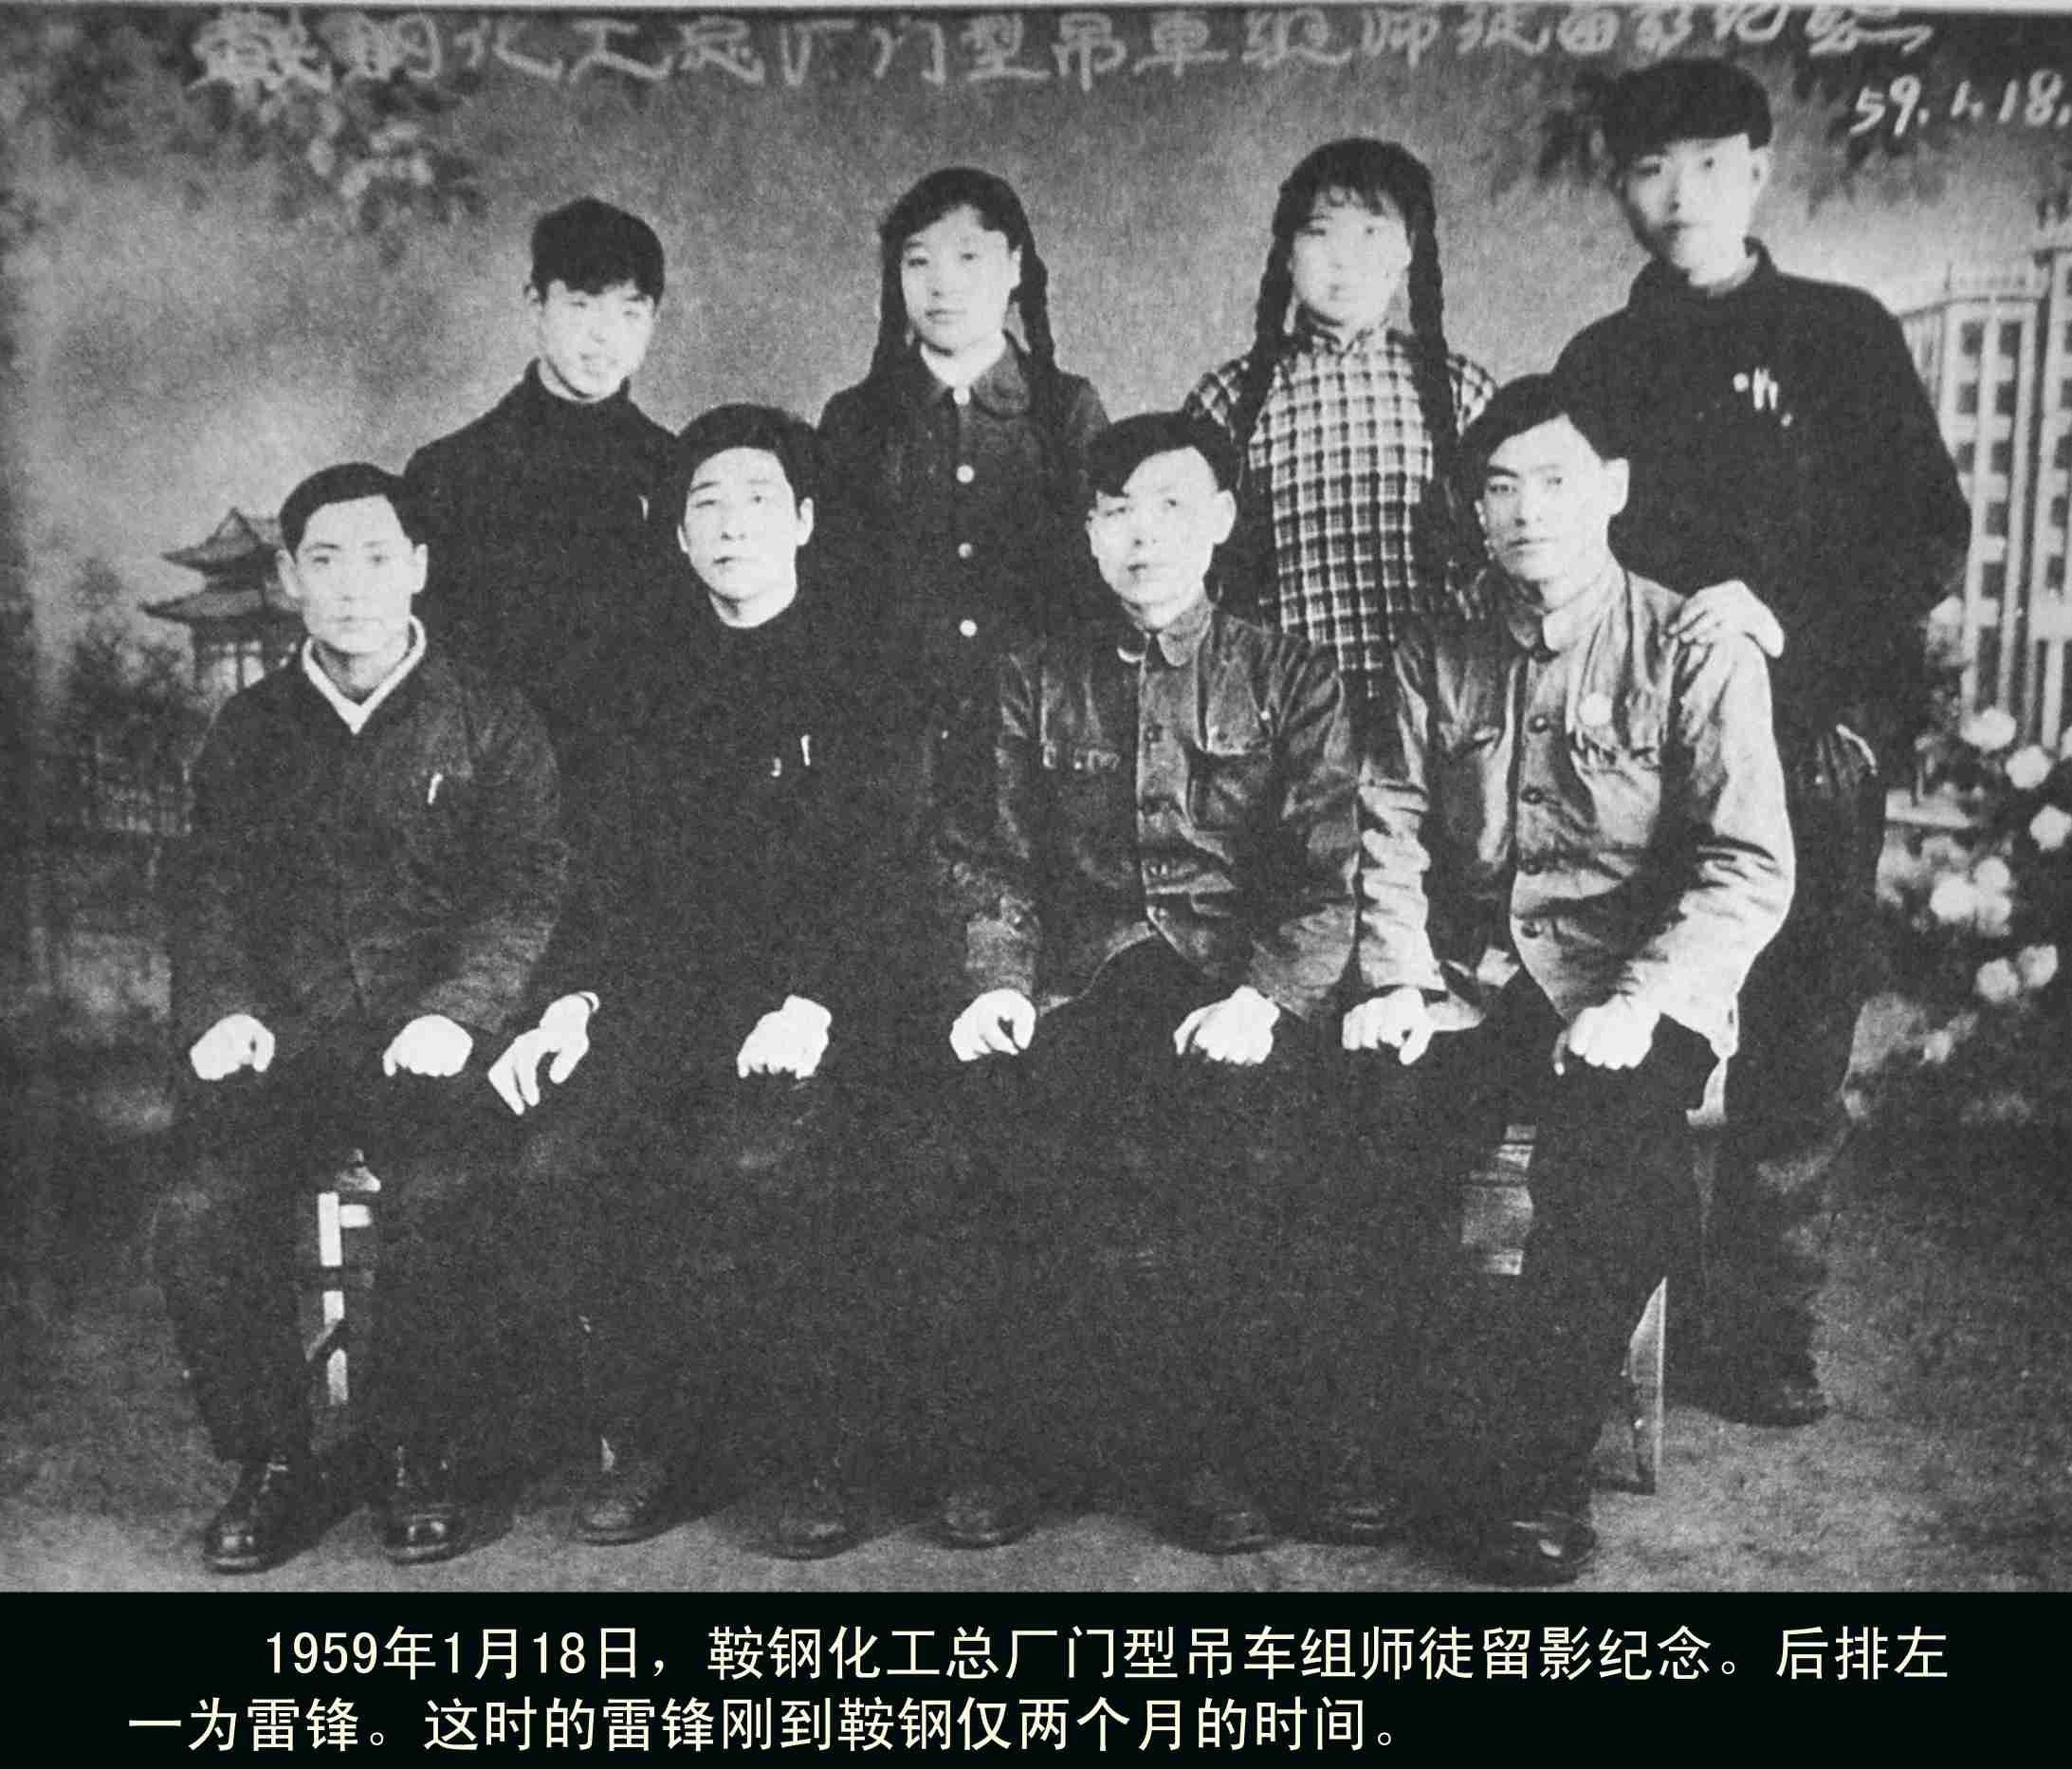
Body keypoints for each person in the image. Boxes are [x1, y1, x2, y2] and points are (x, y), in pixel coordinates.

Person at [1555, 59, 1971, 1425]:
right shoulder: (1599, 361)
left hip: (1806, 738)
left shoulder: (1840, 335)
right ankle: (1610, 1319)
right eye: (1647, 167)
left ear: (1756, 167)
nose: (1677, 193)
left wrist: (1785, 617)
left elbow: (1926, 534)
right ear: (1619, 187)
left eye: (1706, 162)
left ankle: (1763, 1331)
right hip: (1637, 754)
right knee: (1628, 1026)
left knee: (1793, 1053)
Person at [1343, 376, 1794, 1581]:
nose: (1526, 511)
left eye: (1553, 482)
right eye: (1500, 488)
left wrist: (1640, 1001)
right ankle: (1413, 1441)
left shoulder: (1692, 643)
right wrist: (1395, 977)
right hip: (1475, 980)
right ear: (1475, 512)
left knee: (1618, 1173)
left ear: (1614, 491)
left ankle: (1535, 1473)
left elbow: (1746, 865)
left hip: (1633, 984)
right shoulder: (1436, 647)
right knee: (1361, 1121)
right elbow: (1387, 824)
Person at [938, 412, 1357, 1554]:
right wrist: (997, 980)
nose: (1142, 536)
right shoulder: (1032, 676)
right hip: (1082, 979)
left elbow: (1327, 875)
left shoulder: (1290, 675)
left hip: (1234, 983)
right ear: (1086, 533)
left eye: (1171, 507)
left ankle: (1207, 1453)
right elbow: (988, 857)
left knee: (1242, 1142)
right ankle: (1031, 1449)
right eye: (1117, 512)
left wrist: (1264, 999)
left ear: (1220, 520)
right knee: (1006, 1125)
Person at [491, 407, 897, 1559]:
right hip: (668, 998)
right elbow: (601, 872)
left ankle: (814, 1449)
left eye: (758, 500)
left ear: (805, 521)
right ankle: (660, 1440)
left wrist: (815, 1000)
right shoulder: (640, 681)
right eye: (705, 505)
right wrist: (570, 1004)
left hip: (837, 1001)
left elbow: (891, 869)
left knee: (762, 1163)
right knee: (567, 1158)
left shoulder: (868, 670)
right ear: (676, 536)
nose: (731, 526)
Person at [158, 463, 564, 1572]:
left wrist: (459, 1010)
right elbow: (208, 888)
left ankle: (412, 1451)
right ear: (288, 578)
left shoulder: (488, 717)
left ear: (419, 568)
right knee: (201, 1209)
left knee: (445, 1192)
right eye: (325, 560)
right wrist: (224, 1007)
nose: (352, 586)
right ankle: (270, 1461)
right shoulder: (249, 729)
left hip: (432, 1040)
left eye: (378, 557)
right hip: (287, 1043)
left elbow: (529, 887)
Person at [818, 166, 1111, 855]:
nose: (941, 285)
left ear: (1014, 267)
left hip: (1038, 752)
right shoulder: (856, 419)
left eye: (968, 258)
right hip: (888, 758)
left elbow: (1098, 595)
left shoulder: (1065, 411)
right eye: (918, 262)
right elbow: (831, 595)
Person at [1183, 138, 1494, 728]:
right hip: (1277, 719)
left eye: (1371, 233)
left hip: (1438, 720)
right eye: (1320, 233)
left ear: (1408, 250)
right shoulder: (1228, 400)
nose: (1343, 260)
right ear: (1287, 252)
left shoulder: (1462, 394)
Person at [403, 196, 676, 776]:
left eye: (630, 313)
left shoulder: (677, 472)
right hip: (500, 785)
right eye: (581, 306)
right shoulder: (452, 473)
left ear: (654, 319)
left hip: (647, 787)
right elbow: (434, 679)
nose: (604, 337)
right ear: (536, 304)